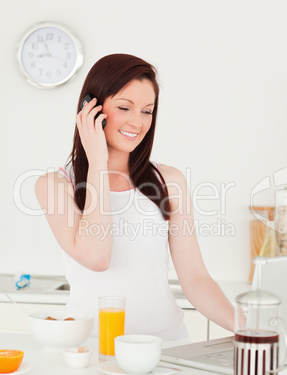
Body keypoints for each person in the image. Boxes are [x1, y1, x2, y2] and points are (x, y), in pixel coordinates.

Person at [35, 53, 234, 346]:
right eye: (125, 107)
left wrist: (245, 325)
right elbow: (97, 257)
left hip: (166, 347)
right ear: (91, 109)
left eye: (147, 111)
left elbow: (195, 279)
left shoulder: (169, 181)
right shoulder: (55, 185)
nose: (137, 122)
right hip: (92, 350)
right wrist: (98, 161)